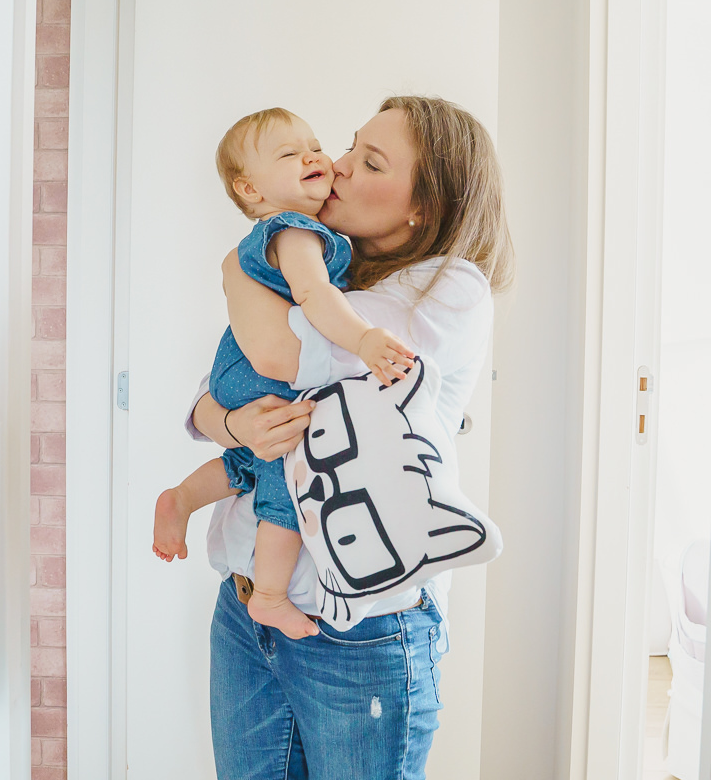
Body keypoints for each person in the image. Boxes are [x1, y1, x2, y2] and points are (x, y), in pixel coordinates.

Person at [187, 95, 514, 780]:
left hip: (360, 630)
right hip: (247, 605)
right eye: (350, 146)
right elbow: (209, 399)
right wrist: (232, 423)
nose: (334, 167)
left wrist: (235, 268)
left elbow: (281, 357)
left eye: (369, 162)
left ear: (424, 205)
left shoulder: (447, 289)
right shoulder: (323, 274)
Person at [153, 108, 416, 641]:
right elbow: (314, 296)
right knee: (285, 479)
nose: (315, 157)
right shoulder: (296, 233)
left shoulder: (283, 234)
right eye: (290, 154)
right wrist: (363, 339)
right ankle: (270, 596)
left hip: (235, 370)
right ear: (249, 188)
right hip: (252, 374)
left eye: (315, 144)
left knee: (248, 459)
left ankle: (181, 498)